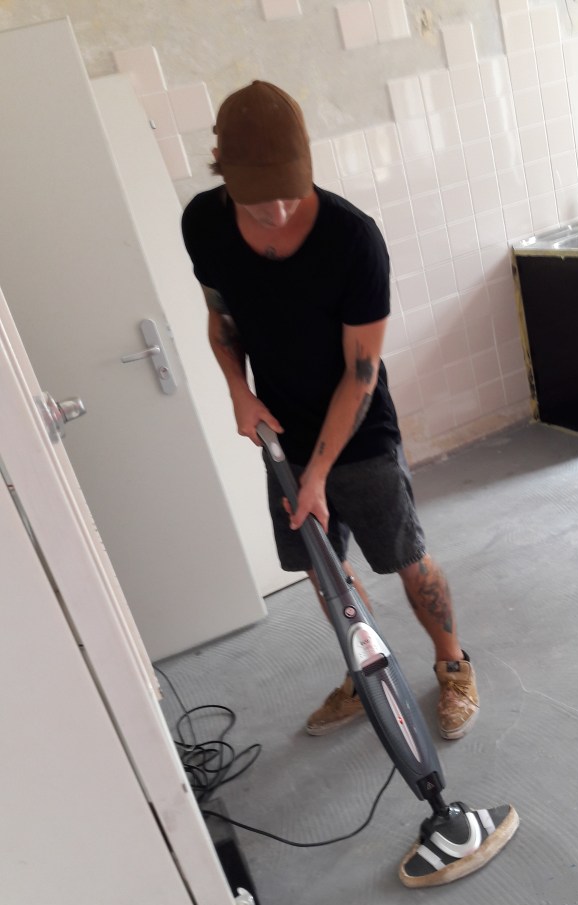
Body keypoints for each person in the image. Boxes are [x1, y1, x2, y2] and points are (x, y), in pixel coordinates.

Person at [181, 80, 479, 740]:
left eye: (289, 192)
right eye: (257, 201)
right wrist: (238, 390)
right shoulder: (203, 224)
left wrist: (317, 474)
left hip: (360, 432)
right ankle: (369, 670)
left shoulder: (352, 239)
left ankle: (454, 665)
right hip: (281, 433)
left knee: (405, 555)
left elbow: (361, 372)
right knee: (324, 567)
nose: (277, 212)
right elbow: (221, 321)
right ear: (221, 171)